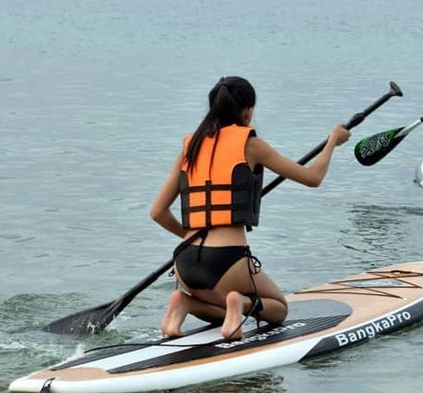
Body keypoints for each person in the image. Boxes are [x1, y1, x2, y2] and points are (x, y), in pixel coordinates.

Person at [149, 76, 351, 341]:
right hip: (228, 261)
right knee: (278, 309)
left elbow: (158, 212)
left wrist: (191, 239)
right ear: (247, 111)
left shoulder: (191, 146)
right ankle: (241, 303)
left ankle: (184, 302)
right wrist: (333, 141)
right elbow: (313, 178)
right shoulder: (250, 144)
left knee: (222, 307)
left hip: (185, 261)